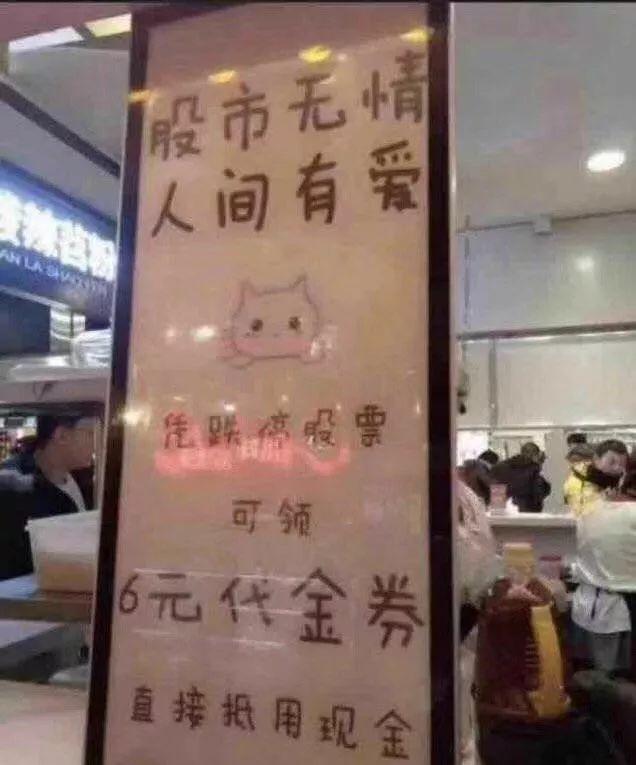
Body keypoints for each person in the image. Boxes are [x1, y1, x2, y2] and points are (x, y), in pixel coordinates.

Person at [0, 414, 95, 517]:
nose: (95, 443)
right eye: (90, 434)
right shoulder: (13, 485)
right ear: (62, 436)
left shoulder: (81, 476)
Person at [564, 440, 628, 518]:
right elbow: (582, 514)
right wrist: (608, 502)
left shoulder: (619, 480)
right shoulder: (577, 482)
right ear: (596, 459)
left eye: (622, 464)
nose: (617, 468)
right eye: (612, 462)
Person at [490, 442, 551, 513]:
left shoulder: (500, 467)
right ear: (534, 455)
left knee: (497, 513)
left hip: (502, 506)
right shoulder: (533, 469)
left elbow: (496, 491)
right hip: (527, 508)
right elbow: (537, 492)